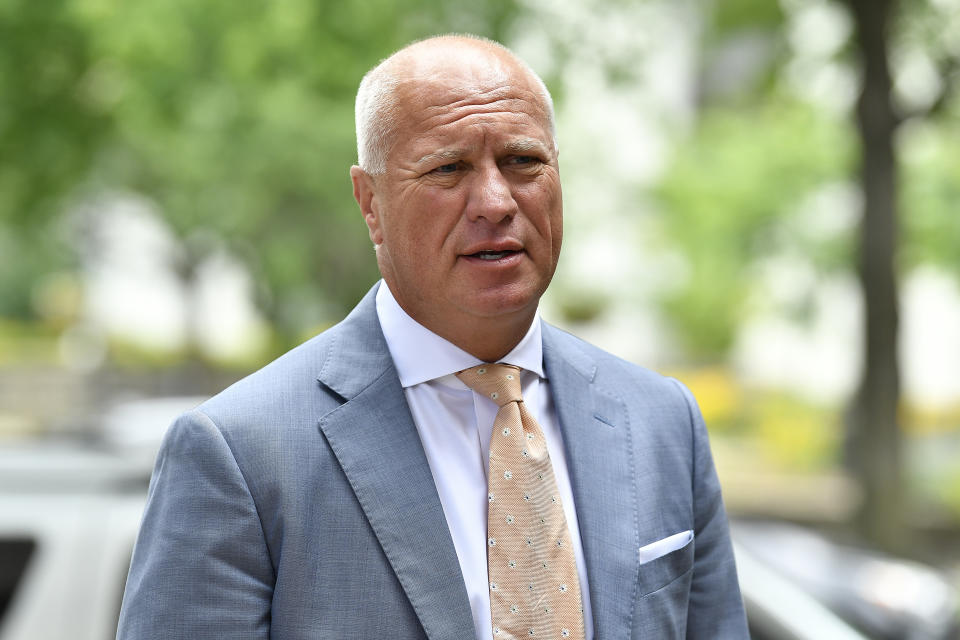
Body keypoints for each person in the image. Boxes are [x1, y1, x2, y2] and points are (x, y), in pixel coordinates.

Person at [116, 34, 748, 639]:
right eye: (449, 169)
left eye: (523, 161)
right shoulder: (241, 456)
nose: (496, 201)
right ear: (370, 204)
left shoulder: (662, 422)